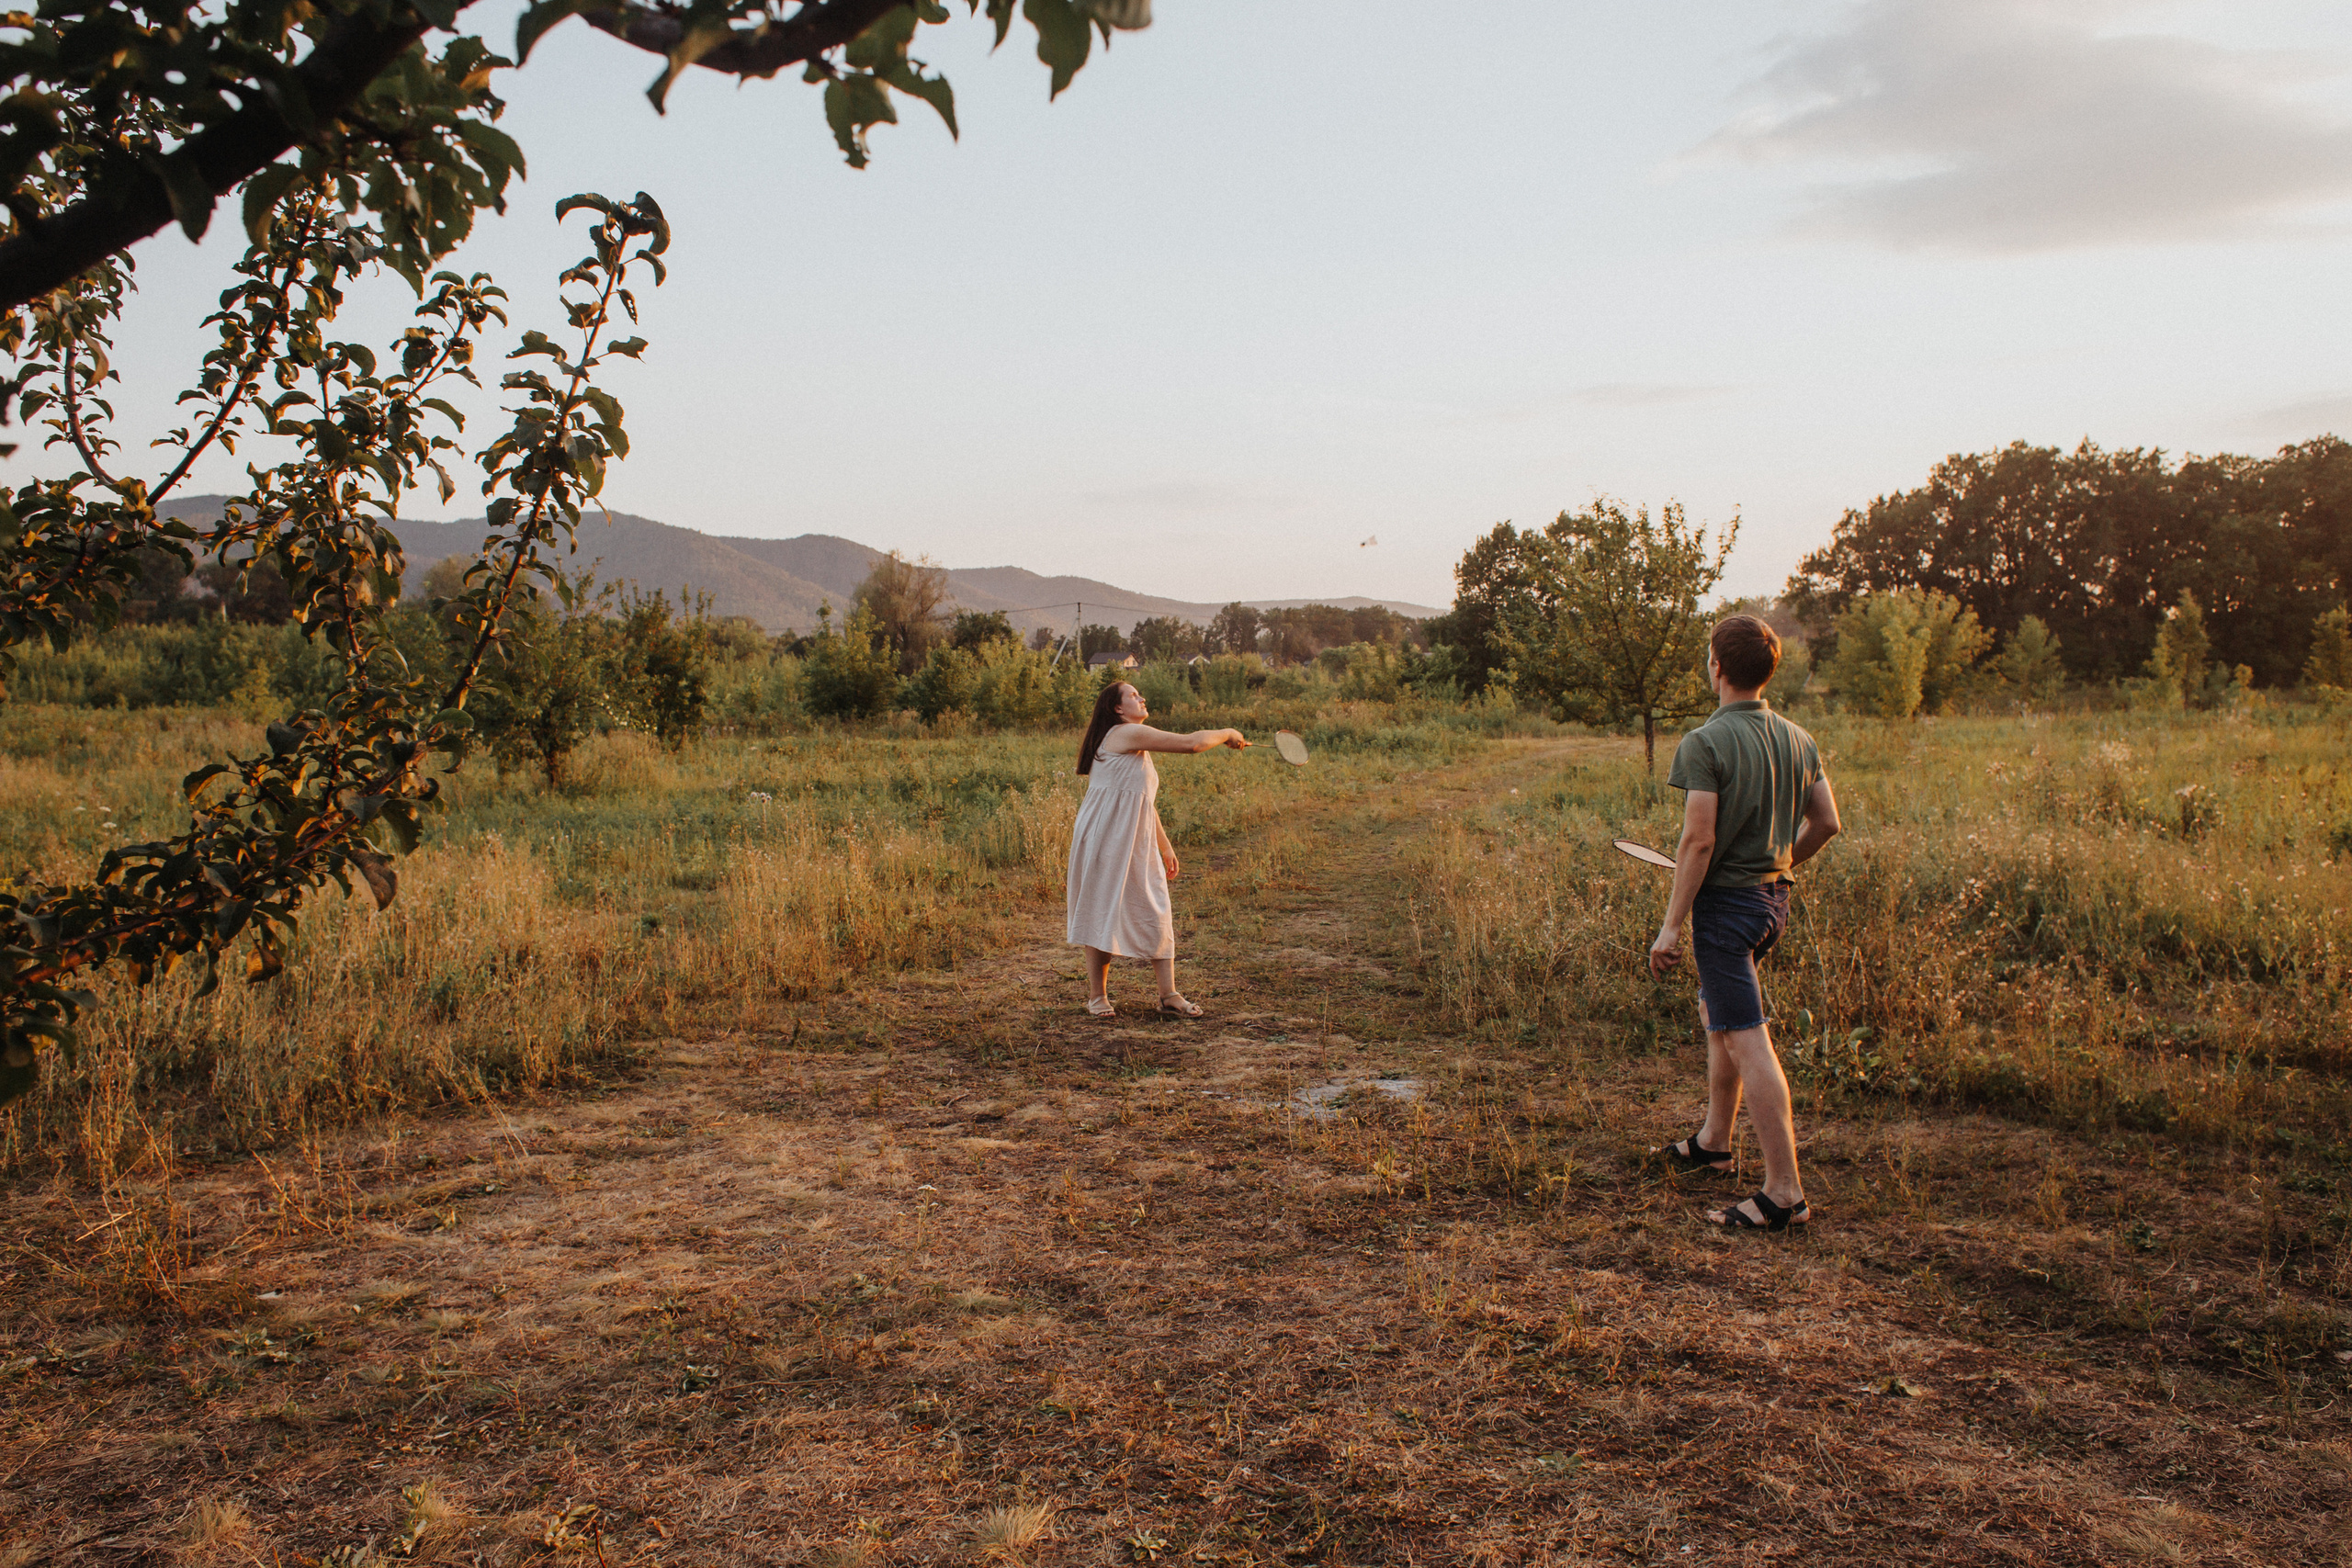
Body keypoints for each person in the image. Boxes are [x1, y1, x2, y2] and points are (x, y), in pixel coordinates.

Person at [1647, 615, 1841, 1231]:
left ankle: (1784, 1191)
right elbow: (1827, 822)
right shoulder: (1799, 738)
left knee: (1745, 1035)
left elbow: (1697, 842)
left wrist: (1671, 927)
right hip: (1771, 902)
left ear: (1718, 667)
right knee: (1722, 1020)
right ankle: (1714, 1139)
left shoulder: (1703, 742)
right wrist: (1779, 862)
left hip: (1727, 912)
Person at [1066, 681, 1248, 1018]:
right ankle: (1097, 997)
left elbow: (1140, 799)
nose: (1142, 698)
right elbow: (1192, 744)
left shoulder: (1133, 742)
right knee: (1102, 905)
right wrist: (1228, 732)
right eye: (1133, 695)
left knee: (1155, 903)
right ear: (1117, 709)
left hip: (1135, 833)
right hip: (1105, 834)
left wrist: (1165, 845)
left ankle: (1169, 995)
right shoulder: (1124, 734)